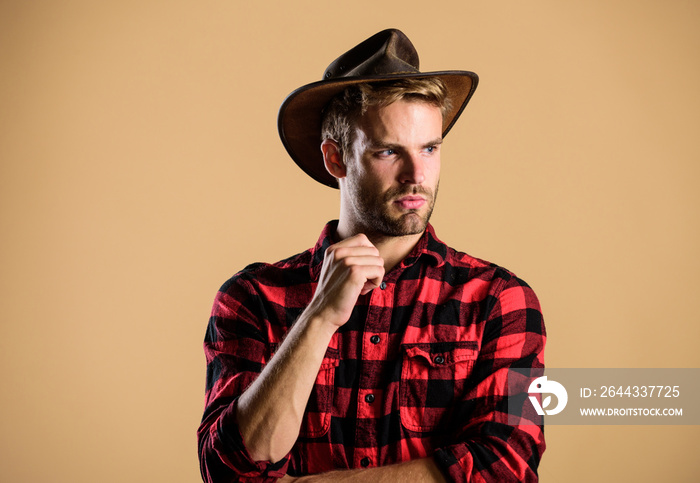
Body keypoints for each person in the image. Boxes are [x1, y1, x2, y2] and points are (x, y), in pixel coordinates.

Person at [198, 29, 546, 482]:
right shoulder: (252, 298)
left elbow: (507, 468)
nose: (416, 175)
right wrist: (318, 317)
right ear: (336, 159)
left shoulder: (502, 301)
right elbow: (229, 470)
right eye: (388, 151)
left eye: (429, 148)